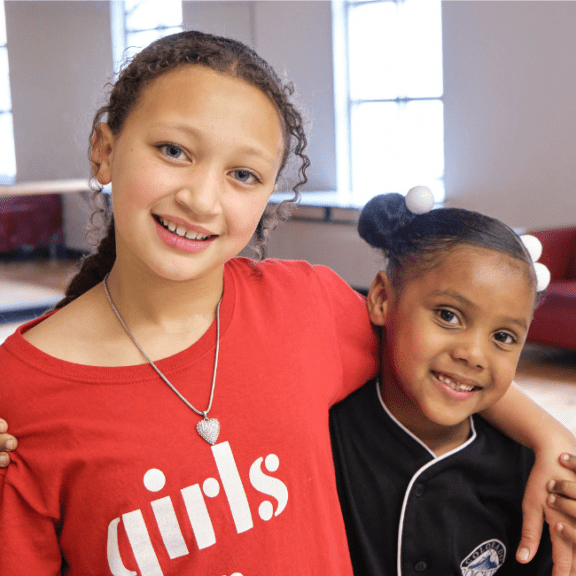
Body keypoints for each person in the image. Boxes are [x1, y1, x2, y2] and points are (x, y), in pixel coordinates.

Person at [0, 29, 574, 576]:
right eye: (173, 150)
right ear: (104, 150)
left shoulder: (307, 306)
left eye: (243, 174)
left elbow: (440, 356)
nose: (201, 199)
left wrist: (551, 438)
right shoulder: (18, 397)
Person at [329, 192, 572, 574]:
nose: (474, 354)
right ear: (381, 299)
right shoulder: (327, 437)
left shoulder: (530, 472)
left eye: (504, 337)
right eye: (448, 315)